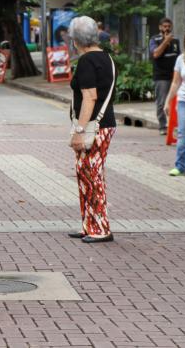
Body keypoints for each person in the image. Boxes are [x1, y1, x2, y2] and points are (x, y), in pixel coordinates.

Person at [67, 16, 117, 243]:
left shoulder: (87, 61)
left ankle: (100, 229)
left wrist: (79, 130)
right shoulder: (107, 58)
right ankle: (89, 224)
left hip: (93, 127)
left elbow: (90, 97)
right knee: (86, 174)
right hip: (105, 124)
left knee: (91, 176)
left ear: (76, 39)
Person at [164, 29, 185, 176]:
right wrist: (168, 102)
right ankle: (180, 166)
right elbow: (175, 83)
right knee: (183, 133)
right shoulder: (181, 59)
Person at [150, 18, 181, 135]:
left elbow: (179, 57)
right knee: (162, 102)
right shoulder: (154, 39)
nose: (167, 28)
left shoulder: (176, 40)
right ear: (160, 27)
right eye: (164, 26)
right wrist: (165, 41)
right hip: (161, 77)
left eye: (168, 26)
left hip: (174, 76)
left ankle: (177, 125)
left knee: (177, 101)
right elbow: (156, 54)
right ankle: (163, 126)